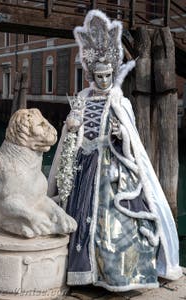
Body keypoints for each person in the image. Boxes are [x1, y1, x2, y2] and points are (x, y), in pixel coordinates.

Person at [48, 9, 182, 292]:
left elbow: (131, 133)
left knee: (115, 220)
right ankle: (84, 274)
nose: (104, 80)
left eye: (108, 75)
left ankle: (115, 277)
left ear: (112, 73)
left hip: (112, 164)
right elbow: (72, 132)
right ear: (91, 75)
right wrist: (71, 126)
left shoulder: (121, 101)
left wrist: (122, 135)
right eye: (99, 76)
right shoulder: (83, 98)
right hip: (84, 162)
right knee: (79, 212)